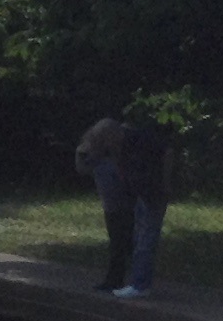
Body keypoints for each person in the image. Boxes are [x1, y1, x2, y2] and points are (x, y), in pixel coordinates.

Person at [116, 116, 174, 298]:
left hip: (152, 192)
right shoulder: (139, 141)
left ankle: (140, 285)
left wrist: (165, 184)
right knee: (140, 236)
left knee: (146, 238)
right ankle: (138, 282)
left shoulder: (144, 141)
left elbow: (168, 154)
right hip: (145, 192)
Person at [74, 117, 132, 293]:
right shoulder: (96, 157)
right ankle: (114, 279)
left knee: (125, 243)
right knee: (117, 244)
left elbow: (124, 179)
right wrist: (80, 151)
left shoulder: (119, 156)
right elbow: (81, 169)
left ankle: (124, 279)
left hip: (124, 204)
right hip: (110, 206)